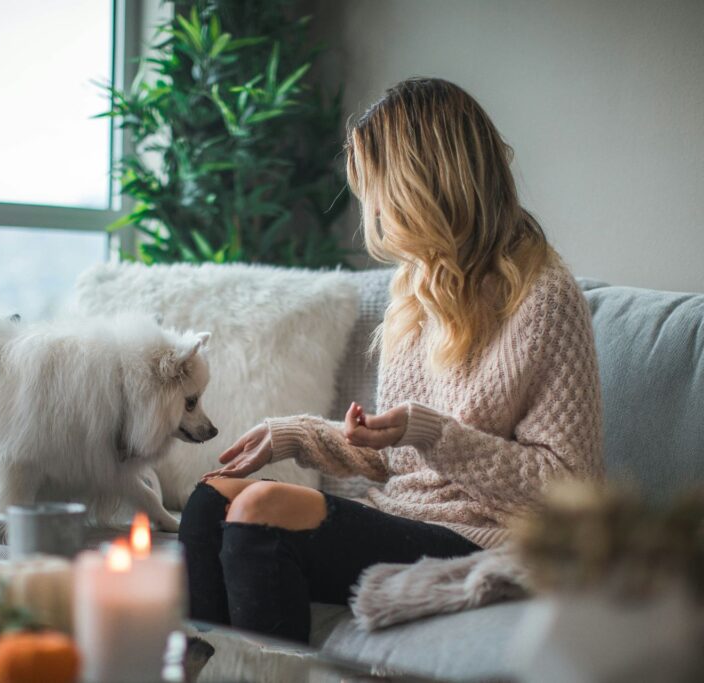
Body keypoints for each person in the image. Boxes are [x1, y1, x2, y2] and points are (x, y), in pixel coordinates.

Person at [177, 77, 604, 644]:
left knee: (262, 510)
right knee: (210, 500)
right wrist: (297, 435)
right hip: (401, 514)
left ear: (422, 184)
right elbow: (395, 457)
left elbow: (568, 489)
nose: (371, 207)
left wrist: (434, 434)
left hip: (487, 536)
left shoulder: (544, 297)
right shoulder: (416, 285)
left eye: (376, 187)